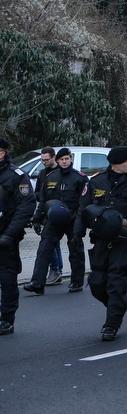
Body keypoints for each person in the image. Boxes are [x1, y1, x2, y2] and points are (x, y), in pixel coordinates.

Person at [74, 146, 127, 340]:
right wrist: (77, 233)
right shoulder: (96, 181)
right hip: (101, 241)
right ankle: (118, 305)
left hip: (124, 242)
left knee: (116, 282)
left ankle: (111, 324)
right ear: (115, 164)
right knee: (96, 282)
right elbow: (83, 208)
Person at [24, 148, 89, 294]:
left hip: (73, 219)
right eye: (61, 160)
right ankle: (37, 283)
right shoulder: (51, 177)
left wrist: (82, 224)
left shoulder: (80, 178)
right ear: (57, 161)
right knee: (44, 249)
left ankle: (76, 282)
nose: (64, 162)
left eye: (67, 159)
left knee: (76, 250)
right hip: (53, 219)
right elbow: (43, 200)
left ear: (70, 159)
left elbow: (85, 203)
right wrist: (37, 219)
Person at [0, 138, 35, 335]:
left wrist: (10, 234)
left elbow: (26, 206)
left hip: (5, 235)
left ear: (1, 153)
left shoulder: (16, 176)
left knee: (7, 278)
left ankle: (6, 319)